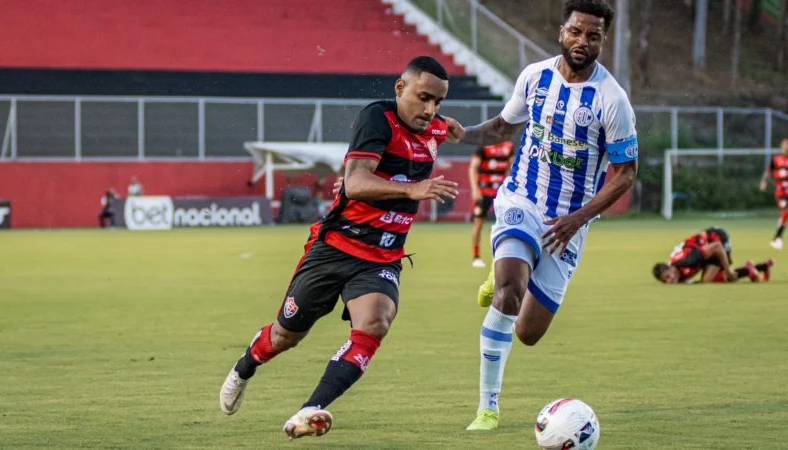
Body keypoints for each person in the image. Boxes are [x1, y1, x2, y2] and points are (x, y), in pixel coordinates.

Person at [218, 56, 458, 440]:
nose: (430, 110)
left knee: (376, 321)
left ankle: (310, 409)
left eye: (439, 102)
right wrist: (413, 190)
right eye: (424, 97)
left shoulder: (437, 128)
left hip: (382, 256)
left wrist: (523, 118)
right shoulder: (377, 119)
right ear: (401, 89)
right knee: (285, 336)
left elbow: (478, 132)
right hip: (336, 247)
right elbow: (355, 183)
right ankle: (246, 365)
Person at [444, 0, 639, 431]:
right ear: (561, 32)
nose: (582, 42)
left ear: (602, 40)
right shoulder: (535, 77)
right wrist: (466, 135)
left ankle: (506, 273)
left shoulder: (612, 100)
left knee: (527, 332)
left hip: (568, 225)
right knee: (509, 294)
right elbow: (504, 127)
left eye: (593, 35)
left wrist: (577, 219)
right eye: (576, 31)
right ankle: (488, 407)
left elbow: (625, 175)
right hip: (521, 200)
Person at [652, 227, 774, 284]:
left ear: (672, 268)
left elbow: (717, 246)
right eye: (666, 280)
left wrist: (728, 271)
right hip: (706, 248)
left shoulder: (688, 259)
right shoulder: (677, 269)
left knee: (717, 278)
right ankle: (758, 268)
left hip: (718, 239)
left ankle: (750, 270)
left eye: (668, 276)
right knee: (708, 280)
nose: (670, 280)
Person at [470, 141, 514, 268]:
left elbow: (509, 168)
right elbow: (473, 167)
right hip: (483, 192)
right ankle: (476, 256)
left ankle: (503, 257)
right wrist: (475, 189)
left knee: (506, 225)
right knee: (478, 224)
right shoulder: (484, 146)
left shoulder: (508, 146)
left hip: (500, 193)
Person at [759, 138, 788, 250]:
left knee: (784, 215)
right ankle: (777, 238)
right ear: (782, 147)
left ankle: (777, 238)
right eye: (785, 145)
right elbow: (768, 171)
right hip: (781, 192)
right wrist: (763, 182)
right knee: (785, 211)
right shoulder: (776, 159)